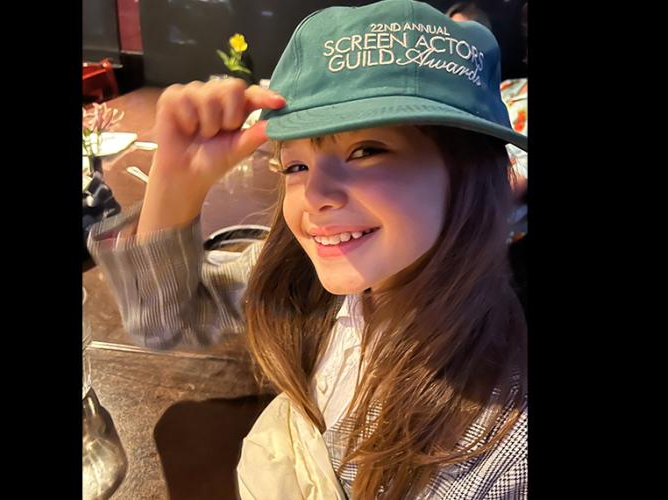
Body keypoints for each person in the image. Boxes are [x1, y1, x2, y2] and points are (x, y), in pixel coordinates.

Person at [88, 0, 528, 497]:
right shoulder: (317, 279)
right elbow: (162, 322)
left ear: (476, 171)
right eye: (295, 166)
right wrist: (175, 184)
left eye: (366, 150)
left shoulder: (497, 448)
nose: (315, 196)